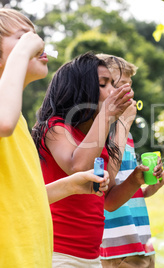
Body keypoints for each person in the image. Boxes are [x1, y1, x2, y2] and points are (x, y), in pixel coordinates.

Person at [31, 52, 164, 267]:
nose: (114, 91)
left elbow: (108, 200)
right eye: (104, 84)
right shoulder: (54, 128)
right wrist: (107, 115)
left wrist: (136, 179)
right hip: (58, 251)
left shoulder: (97, 139)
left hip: (91, 255)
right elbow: (78, 168)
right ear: (79, 89)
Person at [0, 8, 109, 268]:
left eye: (34, 35)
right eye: (22, 35)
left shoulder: (19, 120)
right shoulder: (7, 117)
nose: (37, 42)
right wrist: (23, 51)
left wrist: (70, 185)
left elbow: (21, 197)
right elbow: (3, 122)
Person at [96, 54, 164, 268]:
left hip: (140, 239)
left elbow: (125, 188)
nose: (128, 93)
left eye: (130, 86)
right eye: (120, 86)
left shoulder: (125, 134)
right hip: (114, 246)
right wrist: (124, 123)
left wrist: (149, 188)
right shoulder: (99, 132)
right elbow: (105, 192)